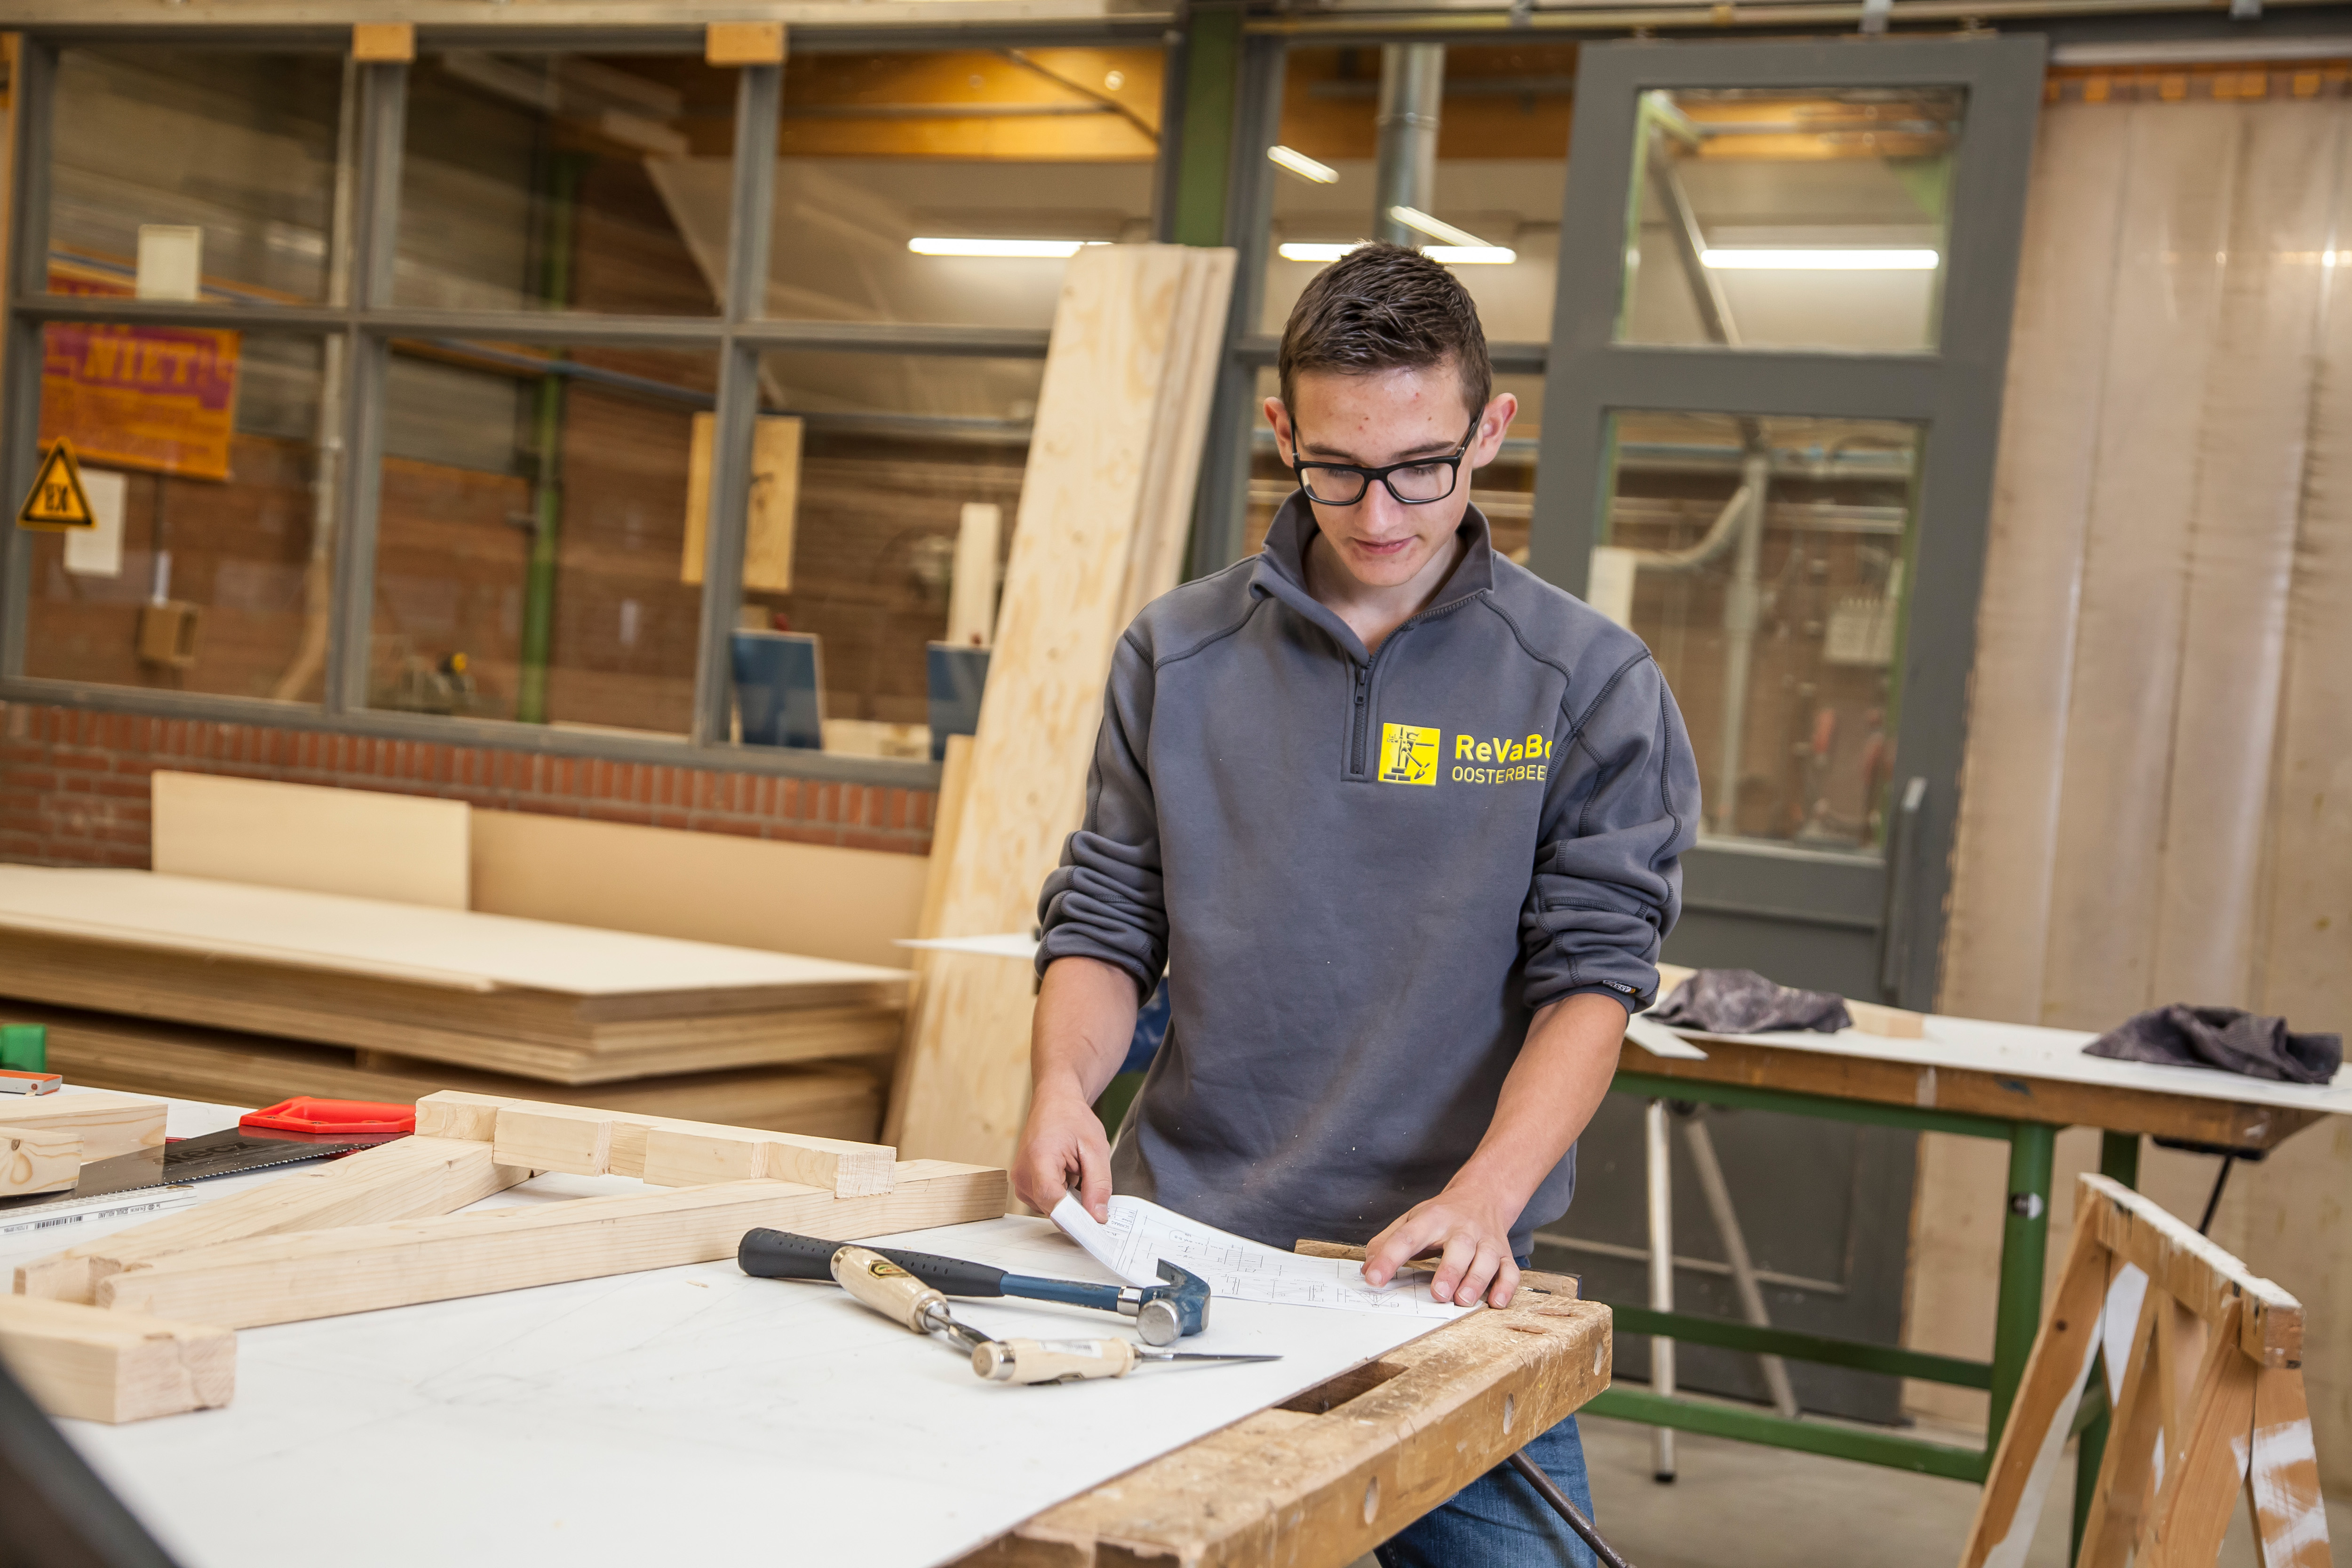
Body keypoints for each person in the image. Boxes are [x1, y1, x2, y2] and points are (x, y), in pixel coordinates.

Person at [1011, 242, 1701, 1566]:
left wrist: (1486, 1201)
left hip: (1446, 1281)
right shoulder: (1178, 653)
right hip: (1183, 1260)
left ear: (1490, 430)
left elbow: (1595, 977)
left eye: (1421, 468)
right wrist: (1060, 1091)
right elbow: (1106, 921)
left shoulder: (1587, 679)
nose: (1379, 513)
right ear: (1283, 432)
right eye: (1335, 467)